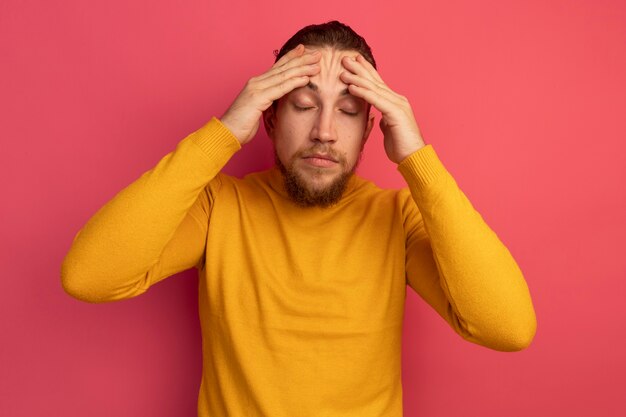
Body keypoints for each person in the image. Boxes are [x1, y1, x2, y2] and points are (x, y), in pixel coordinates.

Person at [61, 20, 536, 417]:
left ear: (372, 130)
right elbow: (90, 276)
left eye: (348, 112)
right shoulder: (219, 207)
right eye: (304, 107)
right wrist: (223, 133)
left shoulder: (397, 218)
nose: (324, 132)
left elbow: (507, 328)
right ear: (267, 119)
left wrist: (418, 161)